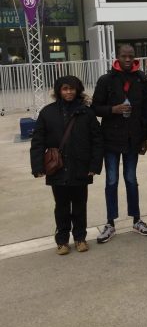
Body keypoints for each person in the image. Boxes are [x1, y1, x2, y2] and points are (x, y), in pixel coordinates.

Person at [30, 76, 103, 255]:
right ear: (58, 91)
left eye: (72, 89)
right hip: (58, 167)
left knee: (79, 205)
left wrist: (95, 165)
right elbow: (38, 141)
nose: (69, 92)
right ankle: (62, 240)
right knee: (61, 206)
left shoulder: (87, 113)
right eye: (65, 89)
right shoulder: (47, 113)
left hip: (81, 166)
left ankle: (80, 238)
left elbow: (97, 140)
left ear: (78, 90)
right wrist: (38, 166)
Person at [92, 44, 147, 243]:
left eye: (131, 56)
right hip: (110, 138)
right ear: (117, 57)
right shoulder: (106, 80)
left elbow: (145, 111)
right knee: (111, 180)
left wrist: (144, 137)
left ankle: (136, 219)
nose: (128, 60)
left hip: (132, 139)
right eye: (124, 56)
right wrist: (113, 110)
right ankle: (110, 223)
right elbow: (95, 108)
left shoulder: (141, 79)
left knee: (131, 178)